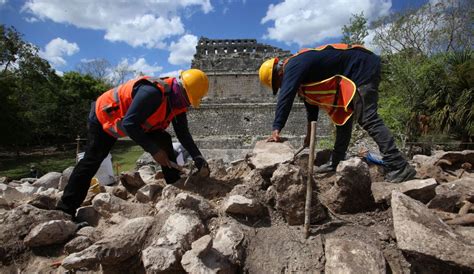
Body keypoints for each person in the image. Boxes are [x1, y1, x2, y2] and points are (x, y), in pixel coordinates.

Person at [56, 69, 210, 217]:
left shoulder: (178, 103)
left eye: (189, 102)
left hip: (134, 122)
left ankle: (174, 182)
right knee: (93, 159)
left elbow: (183, 133)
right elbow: (130, 124)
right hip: (104, 116)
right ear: (180, 89)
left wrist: (198, 157)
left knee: (164, 139)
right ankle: (66, 209)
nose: (187, 105)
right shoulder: (153, 93)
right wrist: (154, 150)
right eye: (187, 100)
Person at [259, 43, 416, 183]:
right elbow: (311, 106)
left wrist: (276, 129)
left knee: (367, 117)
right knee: (342, 118)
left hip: (360, 66)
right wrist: (309, 135)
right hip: (352, 71)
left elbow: (286, 97)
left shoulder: (293, 65)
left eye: (278, 85)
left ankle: (398, 165)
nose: (281, 87)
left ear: (278, 74)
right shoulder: (302, 76)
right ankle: (336, 161)